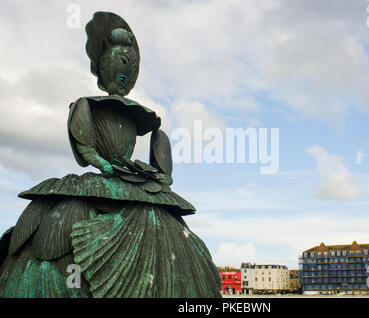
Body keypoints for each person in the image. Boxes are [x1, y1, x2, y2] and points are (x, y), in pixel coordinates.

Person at [0, 11, 221, 298]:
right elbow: (86, 148)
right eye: (119, 63)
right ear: (103, 69)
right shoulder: (85, 105)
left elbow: (161, 162)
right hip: (109, 175)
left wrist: (154, 174)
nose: (124, 72)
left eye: (130, 66)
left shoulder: (146, 122)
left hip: (134, 179)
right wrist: (107, 166)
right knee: (55, 238)